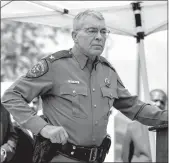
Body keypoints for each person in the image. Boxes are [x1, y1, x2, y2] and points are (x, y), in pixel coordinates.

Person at [1, 10, 168, 163]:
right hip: (61, 158)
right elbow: (11, 96)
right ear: (74, 35)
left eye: (103, 31)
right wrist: (43, 128)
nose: (99, 37)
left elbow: (135, 107)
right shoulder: (55, 66)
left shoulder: (107, 71)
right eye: (92, 31)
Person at [121, 89, 167, 162]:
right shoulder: (132, 127)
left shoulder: (166, 129)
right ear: (147, 102)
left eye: (162, 102)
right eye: (155, 100)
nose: (158, 104)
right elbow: (125, 157)